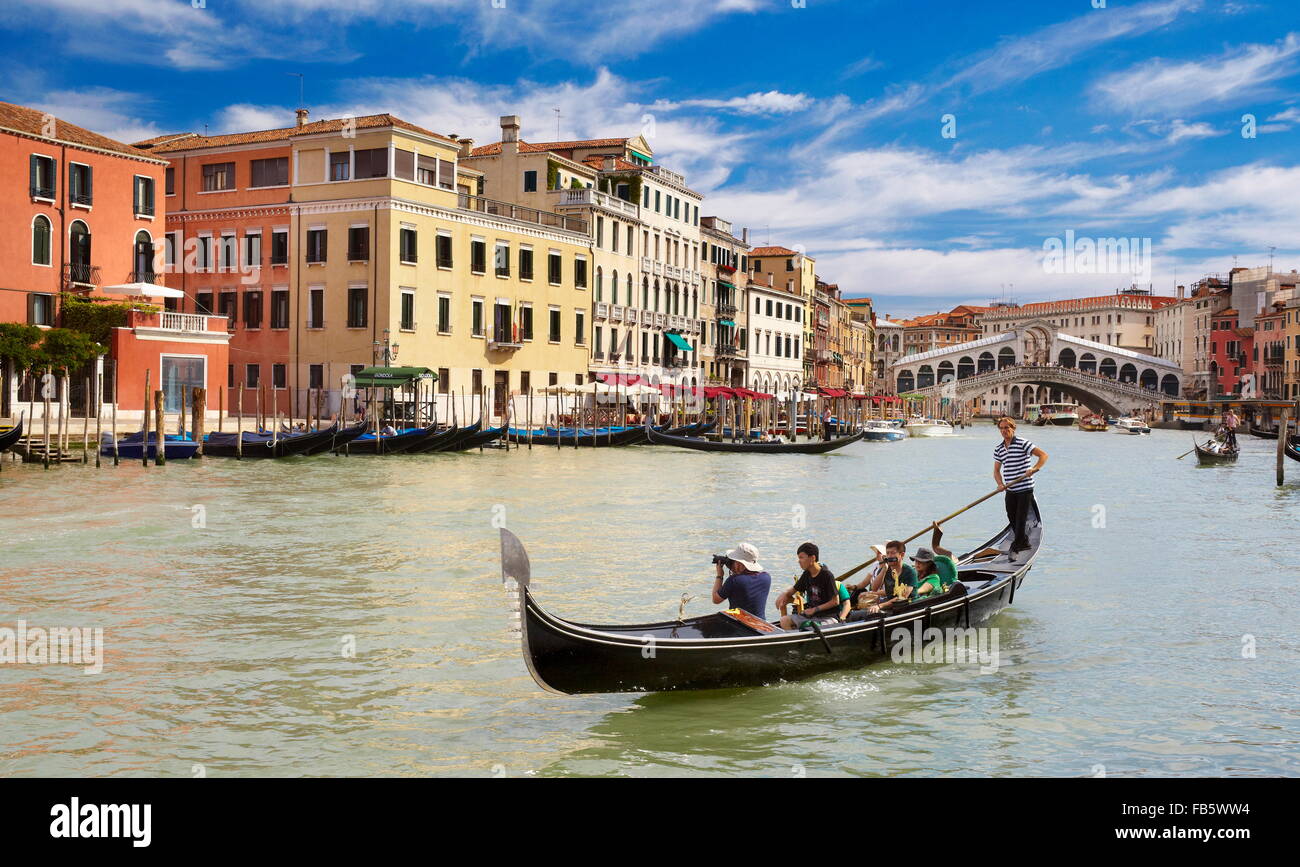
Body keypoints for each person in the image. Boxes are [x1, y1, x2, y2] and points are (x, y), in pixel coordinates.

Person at [993, 417, 1047, 555]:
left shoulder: (1023, 443)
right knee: (1011, 515)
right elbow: (996, 471)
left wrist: (1034, 468)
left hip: (1025, 487)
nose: (1004, 431)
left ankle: (1019, 544)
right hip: (1011, 488)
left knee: (1021, 517)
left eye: (1007, 428)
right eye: (1002, 428)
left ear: (1013, 428)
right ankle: (1022, 540)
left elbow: (1043, 456)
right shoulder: (999, 449)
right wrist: (1000, 484)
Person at [776, 542, 842, 629]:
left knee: (810, 626)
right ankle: (796, 640)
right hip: (811, 616)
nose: (799, 561)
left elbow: (835, 601)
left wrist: (815, 609)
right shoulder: (807, 574)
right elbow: (793, 590)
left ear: (812, 558)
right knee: (784, 620)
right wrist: (783, 595)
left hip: (828, 617)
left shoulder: (827, 575)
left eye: (801, 558)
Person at [847, 540, 918, 618]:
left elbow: (902, 598)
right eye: (887, 553)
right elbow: (874, 588)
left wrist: (879, 606)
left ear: (902, 555)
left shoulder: (909, 572)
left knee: (868, 615)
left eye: (893, 553)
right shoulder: (885, 569)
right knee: (854, 615)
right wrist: (884, 570)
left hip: (907, 607)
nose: (890, 556)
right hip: (891, 605)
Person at [711, 543, 772, 619]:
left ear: (739, 564)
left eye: (734, 561)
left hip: (740, 626)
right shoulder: (766, 577)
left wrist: (720, 575)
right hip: (760, 624)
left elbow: (715, 599)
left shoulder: (734, 581)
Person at [912, 523, 961, 598]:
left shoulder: (934, 578)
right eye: (916, 561)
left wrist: (906, 593)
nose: (917, 563)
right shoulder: (916, 576)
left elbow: (921, 590)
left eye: (921, 561)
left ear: (928, 564)